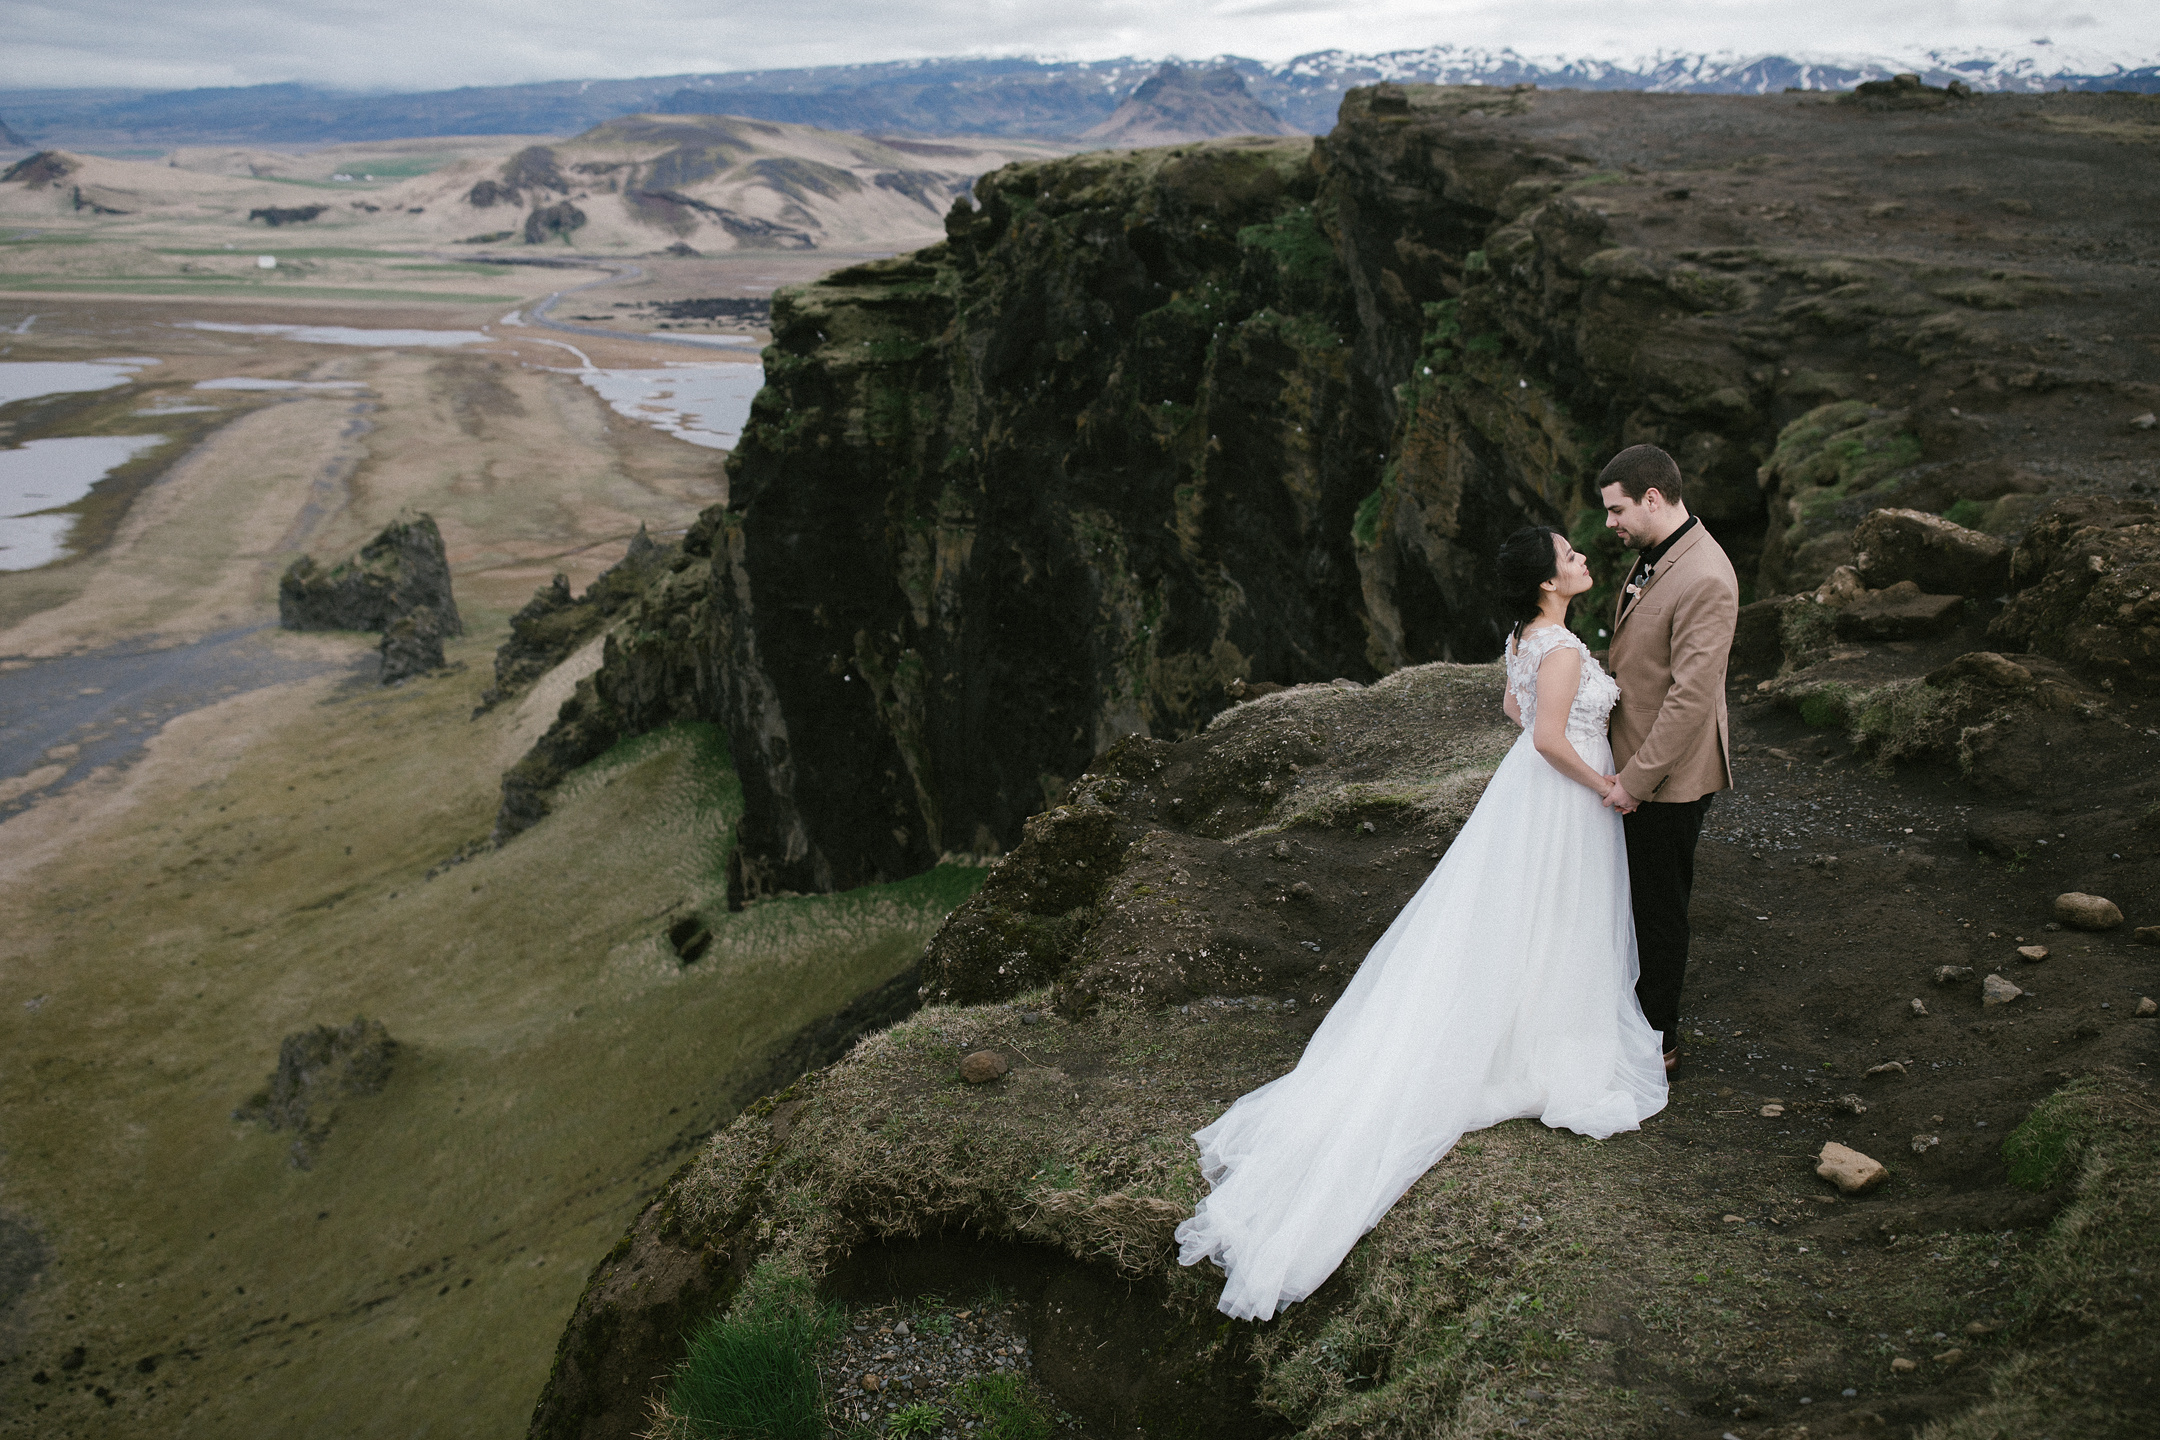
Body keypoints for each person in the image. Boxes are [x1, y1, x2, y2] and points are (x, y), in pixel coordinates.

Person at [1174, 526, 1668, 1323]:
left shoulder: (1526, 638)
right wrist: (1606, 783)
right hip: (1565, 800)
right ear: (1547, 581)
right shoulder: (1565, 650)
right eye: (1569, 554)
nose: (1581, 557)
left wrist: (1564, 740)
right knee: (1559, 917)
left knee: (1514, 918)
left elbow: (1513, 703)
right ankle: (1544, 1038)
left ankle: (1515, 1019)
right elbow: (1544, 735)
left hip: (1524, 801)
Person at [1596, 445, 1739, 1074]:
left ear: (1653, 498)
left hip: (1669, 777)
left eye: (1616, 509)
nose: (1609, 523)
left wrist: (1636, 780)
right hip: (1634, 758)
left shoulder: (1707, 575)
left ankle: (1660, 1043)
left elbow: (1691, 698)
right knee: (1632, 897)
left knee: (1658, 907)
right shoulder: (1653, 556)